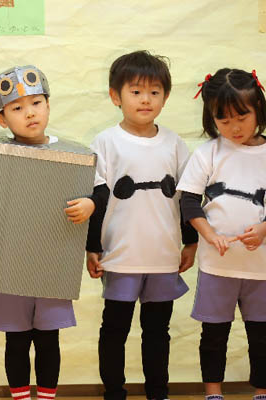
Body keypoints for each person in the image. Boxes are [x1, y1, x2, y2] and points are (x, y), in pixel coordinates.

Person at [0, 65, 81, 400]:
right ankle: (21, 397)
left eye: (36, 103)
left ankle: (47, 397)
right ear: (2, 119)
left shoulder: (73, 154)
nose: (30, 113)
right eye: (17, 108)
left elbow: (97, 192)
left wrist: (91, 204)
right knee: (16, 339)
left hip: (51, 263)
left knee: (49, 339)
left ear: (48, 105)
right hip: (7, 265)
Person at [76, 50, 198, 400]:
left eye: (154, 92)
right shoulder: (104, 142)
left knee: (158, 332)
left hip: (163, 257)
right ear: (115, 96)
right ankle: (114, 392)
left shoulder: (175, 144)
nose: (146, 99)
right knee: (114, 330)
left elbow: (187, 197)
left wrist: (190, 241)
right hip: (120, 256)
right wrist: (92, 247)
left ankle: (158, 392)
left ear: (166, 97)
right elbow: (97, 199)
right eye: (136, 91)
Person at [178, 68, 266, 400]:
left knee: (262, 336)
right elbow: (189, 202)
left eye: (242, 117)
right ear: (211, 117)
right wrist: (209, 235)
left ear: (258, 108)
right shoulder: (207, 154)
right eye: (223, 120)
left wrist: (263, 229)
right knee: (214, 334)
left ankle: (262, 390)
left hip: (262, 269)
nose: (234, 128)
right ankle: (213, 392)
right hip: (218, 266)